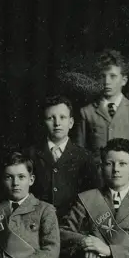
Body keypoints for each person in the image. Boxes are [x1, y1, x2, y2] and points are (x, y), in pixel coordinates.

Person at [75, 49, 129, 159]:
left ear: (124, 80)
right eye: (103, 76)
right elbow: (79, 153)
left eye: (112, 76)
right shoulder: (87, 112)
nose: (107, 82)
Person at [27, 95, 98, 223]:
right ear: (44, 122)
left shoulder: (84, 157)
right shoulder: (30, 154)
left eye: (62, 117)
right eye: (51, 118)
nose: (57, 123)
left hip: (73, 225)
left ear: (70, 123)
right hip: (37, 223)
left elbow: (91, 198)